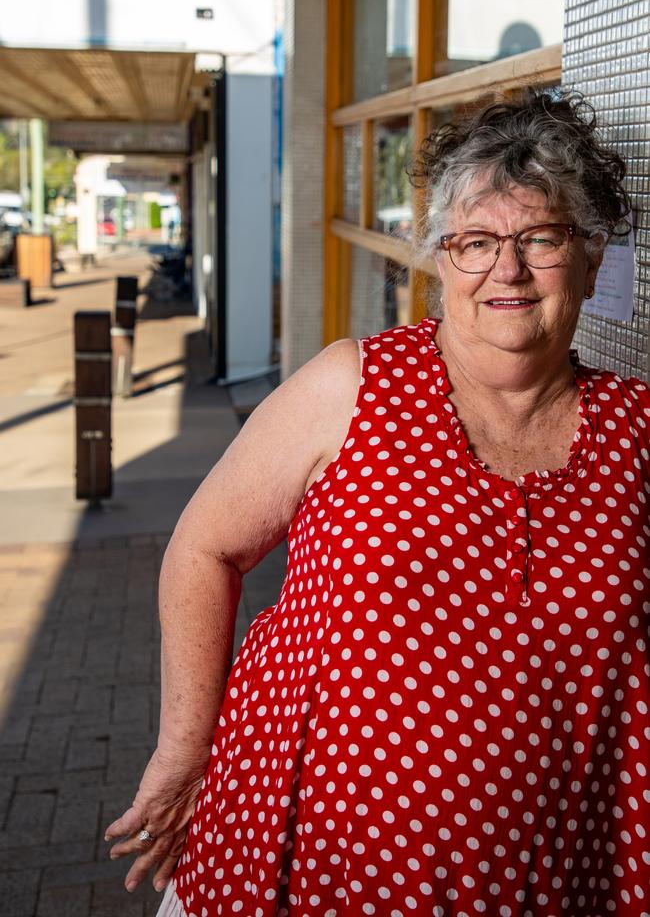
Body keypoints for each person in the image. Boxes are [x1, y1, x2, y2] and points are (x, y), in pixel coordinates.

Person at [105, 89, 650, 916]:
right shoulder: (353, 384)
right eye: (474, 242)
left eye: (541, 238)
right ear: (439, 258)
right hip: (302, 860)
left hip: (550, 876)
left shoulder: (636, 435)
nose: (506, 269)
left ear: (591, 258)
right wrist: (183, 751)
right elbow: (204, 547)